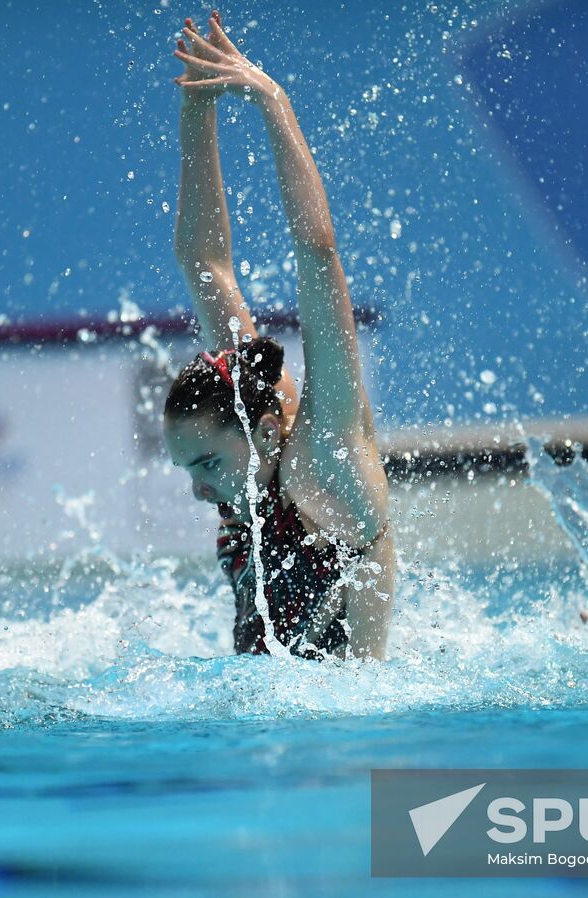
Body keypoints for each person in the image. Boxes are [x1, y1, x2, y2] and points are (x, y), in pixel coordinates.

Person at [163, 12, 394, 658]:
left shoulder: (327, 454)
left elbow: (318, 253)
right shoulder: (251, 430)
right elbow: (203, 262)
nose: (198, 490)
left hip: (349, 737)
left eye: (206, 463)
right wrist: (198, 105)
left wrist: (271, 100)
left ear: (265, 431)